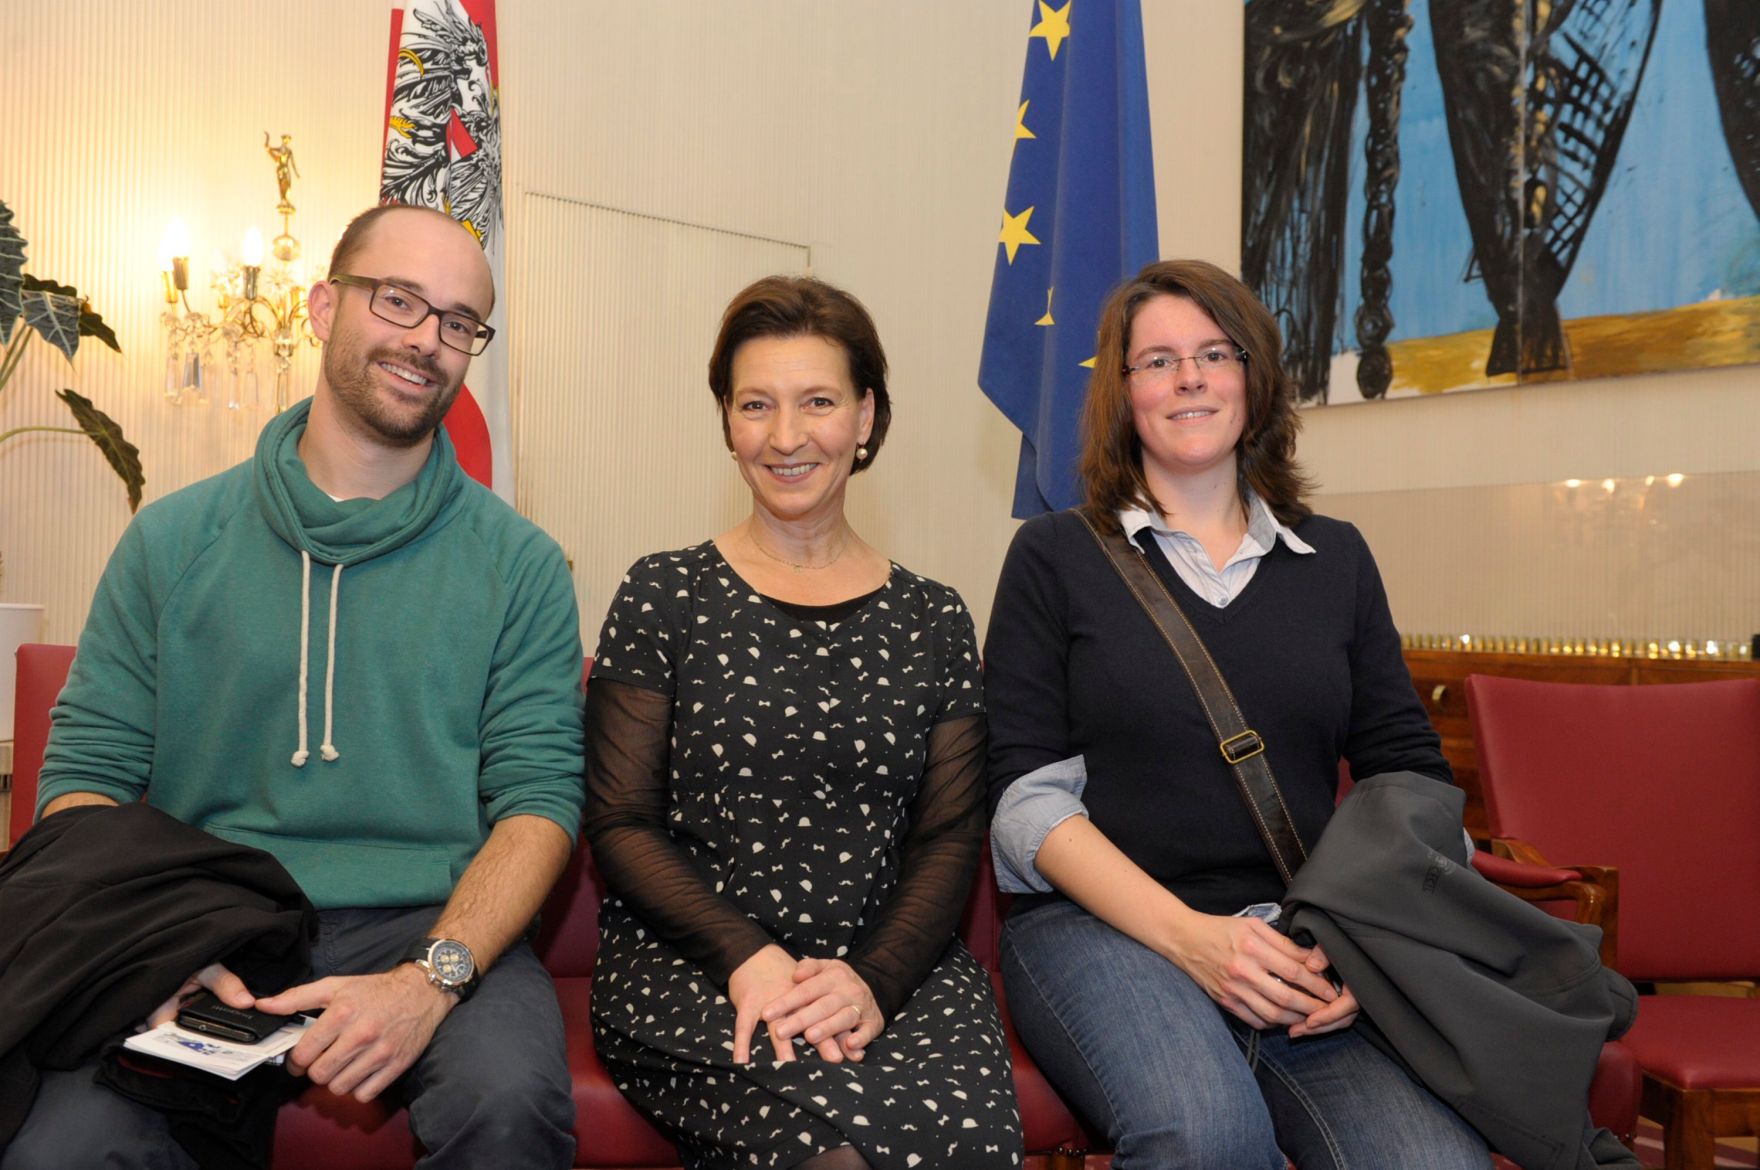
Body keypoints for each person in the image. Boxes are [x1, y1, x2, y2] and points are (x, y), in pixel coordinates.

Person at [11, 204, 584, 1170]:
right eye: (397, 300)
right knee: (60, 1152)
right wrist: (147, 944)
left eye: (457, 322)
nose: (424, 341)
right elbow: (86, 775)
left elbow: (540, 803)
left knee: (510, 1105)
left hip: (431, 921)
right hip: (206, 913)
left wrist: (432, 981)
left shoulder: (522, 564)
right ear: (323, 306)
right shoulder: (172, 539)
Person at [983, 259, 1491, 1169]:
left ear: (1253, 379)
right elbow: (1026, 806)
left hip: (1302, 939)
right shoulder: (1052, 557)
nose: (1189, 379)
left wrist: (1365, 950)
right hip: (1103, 933)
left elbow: (1410, 780)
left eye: (1214, 353)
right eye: (1157, 361)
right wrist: (1196, 943)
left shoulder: (1336, 559)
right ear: (1123, 391)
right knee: (1208, 1138)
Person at [584, 276, 1023, 1170]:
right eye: (756, 405)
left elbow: (948, 836)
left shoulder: (936, 618)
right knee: (838, 1156)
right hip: (698, 965)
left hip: (895, 968)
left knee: (967, 1145)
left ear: (865, 417)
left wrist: (874, 977)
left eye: (817, 402)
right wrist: (748, 956)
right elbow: (620, 822)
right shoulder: (664, 594)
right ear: (727, 422)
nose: (786, 437)